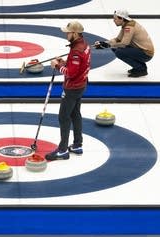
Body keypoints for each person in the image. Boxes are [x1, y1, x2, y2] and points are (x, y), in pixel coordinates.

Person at [45, 21, 91, 161]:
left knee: (64, 117)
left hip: (72, 88)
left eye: (68, 32)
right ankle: (77, 145)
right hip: (81, 85)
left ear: (75, 33)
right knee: (75, 114)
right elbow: (78, 67)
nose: (66, 34)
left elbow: (71, 73)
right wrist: (64, 62)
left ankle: (62, 150)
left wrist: (58, 66)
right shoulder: (83, 44)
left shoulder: (76, 51)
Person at [95, 10, 154, 78]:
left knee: (119, 52)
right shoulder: (127, 24)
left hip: (146, 54)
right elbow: (118, 39)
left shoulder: (129, 27)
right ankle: (139, 66)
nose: (113, 20)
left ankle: (141, 69)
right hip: (142, 50)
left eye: (115, 19)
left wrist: (108, 45)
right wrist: (104, 43)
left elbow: (124, 43)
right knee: (115, 48)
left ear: (122, 19)